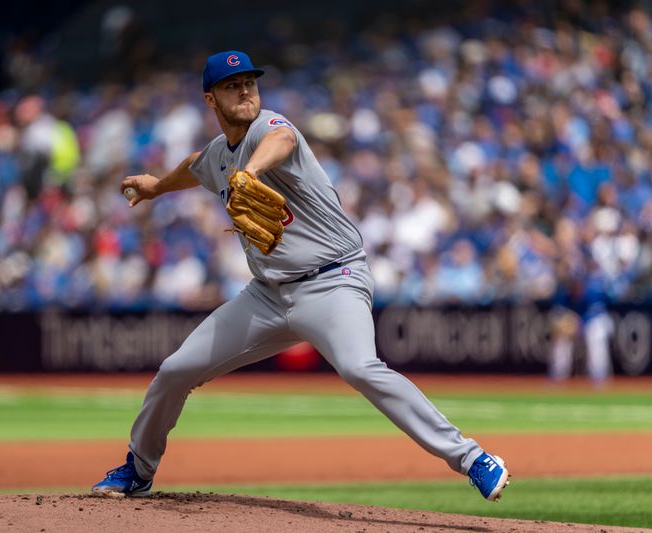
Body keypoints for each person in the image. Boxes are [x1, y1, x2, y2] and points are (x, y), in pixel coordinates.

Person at [91, 51, 508, 501]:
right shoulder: (218, 156)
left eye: (250, 81)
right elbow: (198, 164)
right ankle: (139, 468)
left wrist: (250, 173)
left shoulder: (270, 128)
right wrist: (155, 187)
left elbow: (283, 140)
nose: (246, 90)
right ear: (211, 99)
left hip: (334, 280)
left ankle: (471, 458)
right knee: (176, 369)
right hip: (267, 296)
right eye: (233, 86)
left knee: (359, 367)